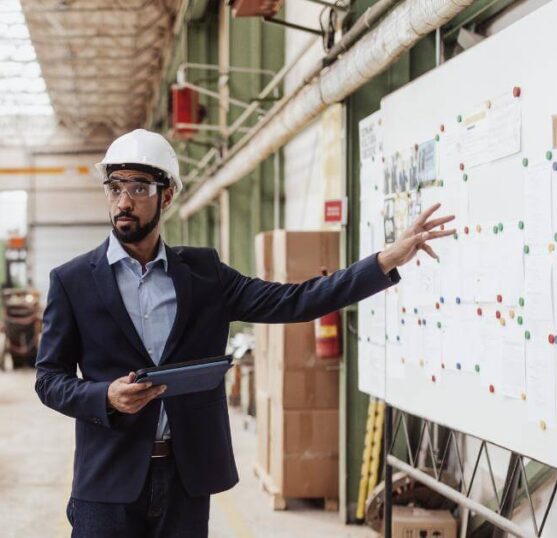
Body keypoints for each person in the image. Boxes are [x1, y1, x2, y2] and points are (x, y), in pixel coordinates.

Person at [34, 128, 455, 537]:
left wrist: (384, 261)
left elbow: (296, 300)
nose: (124, 201)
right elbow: (49, 379)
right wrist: (104, 396)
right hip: (107, 483)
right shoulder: (73, 281)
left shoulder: (204, 275)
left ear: (167, 195)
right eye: (114, 188)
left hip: (185, 480)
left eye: (139, 188)